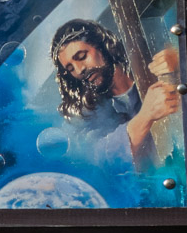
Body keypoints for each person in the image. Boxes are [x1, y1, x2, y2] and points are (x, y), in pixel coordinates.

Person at [49, 18, 180, 170]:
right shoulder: (90, 113)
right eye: (71, 68)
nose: (79, 70)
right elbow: (102, 157)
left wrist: (177, 59)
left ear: (102, 46)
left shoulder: (148, 59)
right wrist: (146, 116)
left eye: (82, 56)